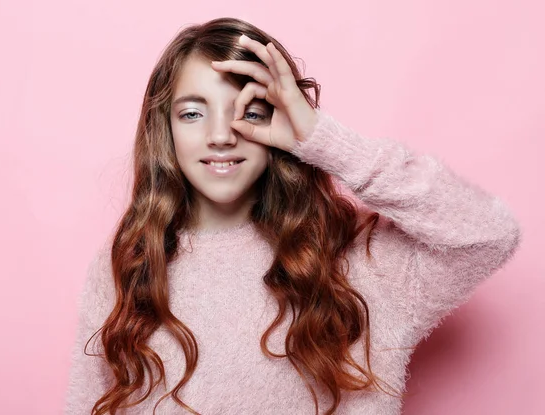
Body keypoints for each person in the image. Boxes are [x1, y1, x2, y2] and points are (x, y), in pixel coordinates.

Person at [63, 17, 522, 415]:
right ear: (164, 129)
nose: (221, 134)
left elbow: (487, 234)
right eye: (192, 113)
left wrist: (321, 139)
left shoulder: (361, 259)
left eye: (250, 111)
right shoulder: (128, 263)